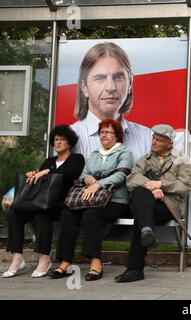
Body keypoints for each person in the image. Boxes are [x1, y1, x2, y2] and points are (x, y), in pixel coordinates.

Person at [49, 119, 133, 281]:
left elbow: (122, 174)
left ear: (117, 135)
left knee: (91, 215)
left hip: (115, 201)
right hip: (90, 199)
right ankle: (65, 262)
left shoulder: (124, 152)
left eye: (108, 132)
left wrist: (98, 185)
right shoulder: (94, 154)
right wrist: (87, 178)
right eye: (101, 132)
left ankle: (95, 263)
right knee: (67, 214)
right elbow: (82, 175)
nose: (103, 135)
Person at [115, 124, 191, 283]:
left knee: (141, 213)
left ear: (170, 143)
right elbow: (131, 179)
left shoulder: (181, 160)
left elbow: (186, 185)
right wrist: (152, 187)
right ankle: (147, 231)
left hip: (168, 206)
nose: (154, 142)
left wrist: (161, 185)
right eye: (153, 138)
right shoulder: (145, 159)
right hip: (146, 205)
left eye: (159, 140)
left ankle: (134, 269)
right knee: (139, 196)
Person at [2, 125, 84, 278]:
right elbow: (39, 182)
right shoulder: (49, 161)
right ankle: (17, 257)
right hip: (40, 201)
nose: (58, 142)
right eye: (56, 140)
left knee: (41, 215)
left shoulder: (76, 159)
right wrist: (34, 174)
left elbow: (70, 173)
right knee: (14, 212)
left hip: (59, 203)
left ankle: (44, 258)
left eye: (62, 140)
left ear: (69, 143)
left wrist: (46, 172)